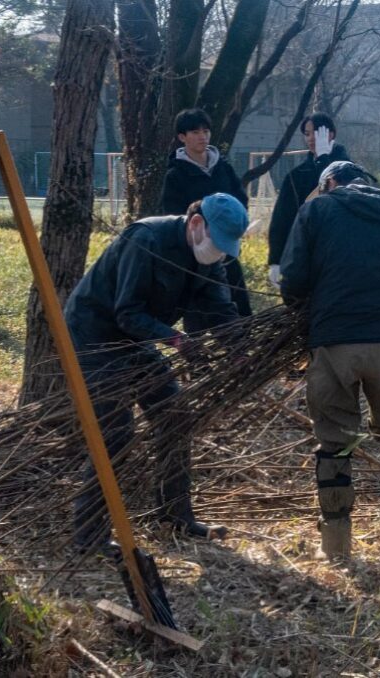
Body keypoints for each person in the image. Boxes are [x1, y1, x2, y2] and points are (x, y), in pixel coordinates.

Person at [65, 193, 249, 551]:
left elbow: (220, 309)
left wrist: (240, 352)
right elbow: (127, 312)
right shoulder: (146, 239)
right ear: (197, 224)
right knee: (115, 434)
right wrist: (175, 340)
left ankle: (174, 515)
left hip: (139, 340)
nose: (218, 253)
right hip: (96, 337)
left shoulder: (208, 258)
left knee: (176, 415)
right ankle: (88, 536)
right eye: (217, 242)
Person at [280, 161, 380, 560]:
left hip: (334, 341)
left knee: (335, 446)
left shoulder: (317, 210)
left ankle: (337, 550)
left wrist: (306, 319)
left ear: (328, 184)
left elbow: (293, 278)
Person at [161, 107, 252, 317]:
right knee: (198, 314)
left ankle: (244, 346)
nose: (202, 136)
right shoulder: (176, 175)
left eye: (206, 131)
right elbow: (173, 213)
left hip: (226, 249)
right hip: (196, 254)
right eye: (195, 132)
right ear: (182, 137)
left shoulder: (224, 168)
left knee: (239, 306)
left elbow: (241, 201)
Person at [267, 112, 350, 287]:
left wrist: (324, 160)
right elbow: (282, 218)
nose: (311, 138)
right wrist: (275, 259)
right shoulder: (296, 176)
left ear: (331, 134)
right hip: (304, 255)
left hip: (341, 255)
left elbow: (334, 192)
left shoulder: (351, 172)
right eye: (307, 134)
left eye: (316, 133)